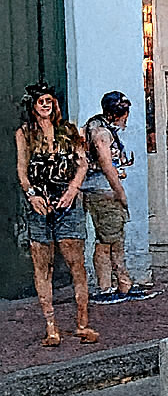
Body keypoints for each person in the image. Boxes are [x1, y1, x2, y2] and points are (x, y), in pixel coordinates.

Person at [15, 82, 97, 347]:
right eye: (41, 101)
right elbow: (22, 171)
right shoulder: (25, 134)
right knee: (43, 266)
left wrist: (73, 190)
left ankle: (82, 323)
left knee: (76, 263)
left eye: (49, 100)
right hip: (40, 203)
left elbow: (82, 164)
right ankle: (51, 326)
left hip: (67, 201)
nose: (46, 105)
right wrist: (32, 195)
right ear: (33, 105)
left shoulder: (69, 131)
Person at [81, 91, 145, 304]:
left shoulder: (99, 127)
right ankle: (105, 287)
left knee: (115, 239)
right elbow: (107, 166)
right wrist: (120, 192)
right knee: (106, 241)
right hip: (103, 191)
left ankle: (123, 283)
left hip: (103, 190)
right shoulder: (101, 133)